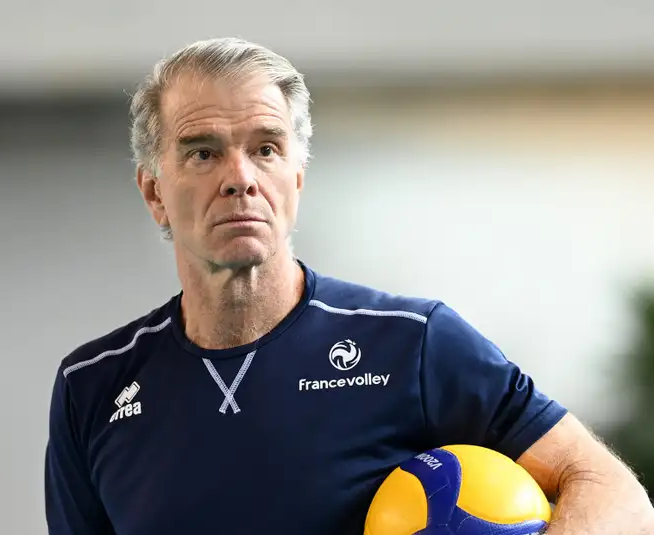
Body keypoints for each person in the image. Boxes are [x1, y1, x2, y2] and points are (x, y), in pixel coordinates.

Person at [44, 37, 653, 535]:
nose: (240, 178)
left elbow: (616, 495)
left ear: (297, 177)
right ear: (154, 191)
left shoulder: (415, 344)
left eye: (266, 148)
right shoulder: (92, 387)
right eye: (203, 153)